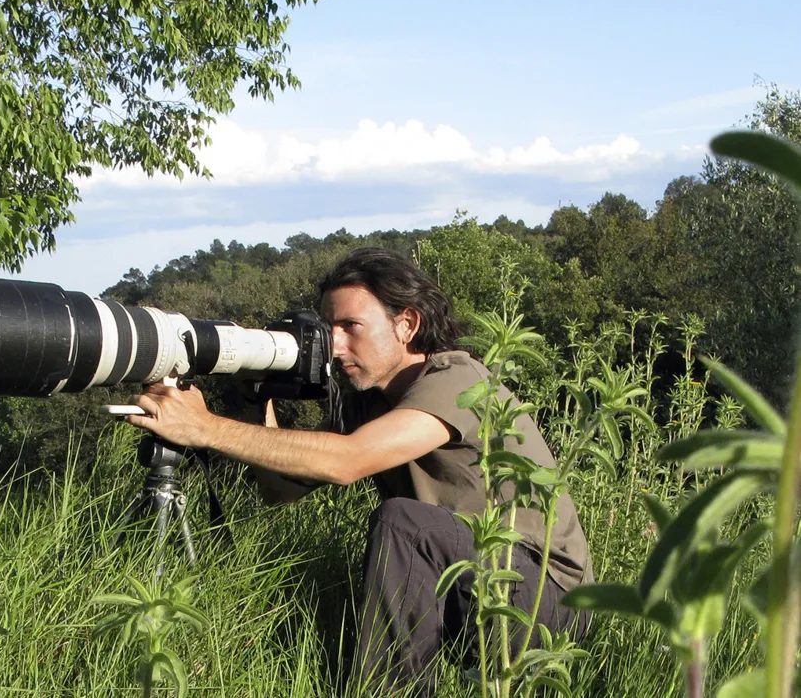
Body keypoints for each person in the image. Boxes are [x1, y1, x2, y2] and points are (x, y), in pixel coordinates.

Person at [124, 246, 592, 693]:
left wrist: (203, 427)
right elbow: (279, 492)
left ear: (406, 324)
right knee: (407, 524)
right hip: (478, 583)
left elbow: (347, 460)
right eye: (329, 327)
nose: (335, 343)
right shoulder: (369, 401)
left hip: (545, 600)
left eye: (351, 326)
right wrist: (254, 398)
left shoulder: (458, 379)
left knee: (404, 524)